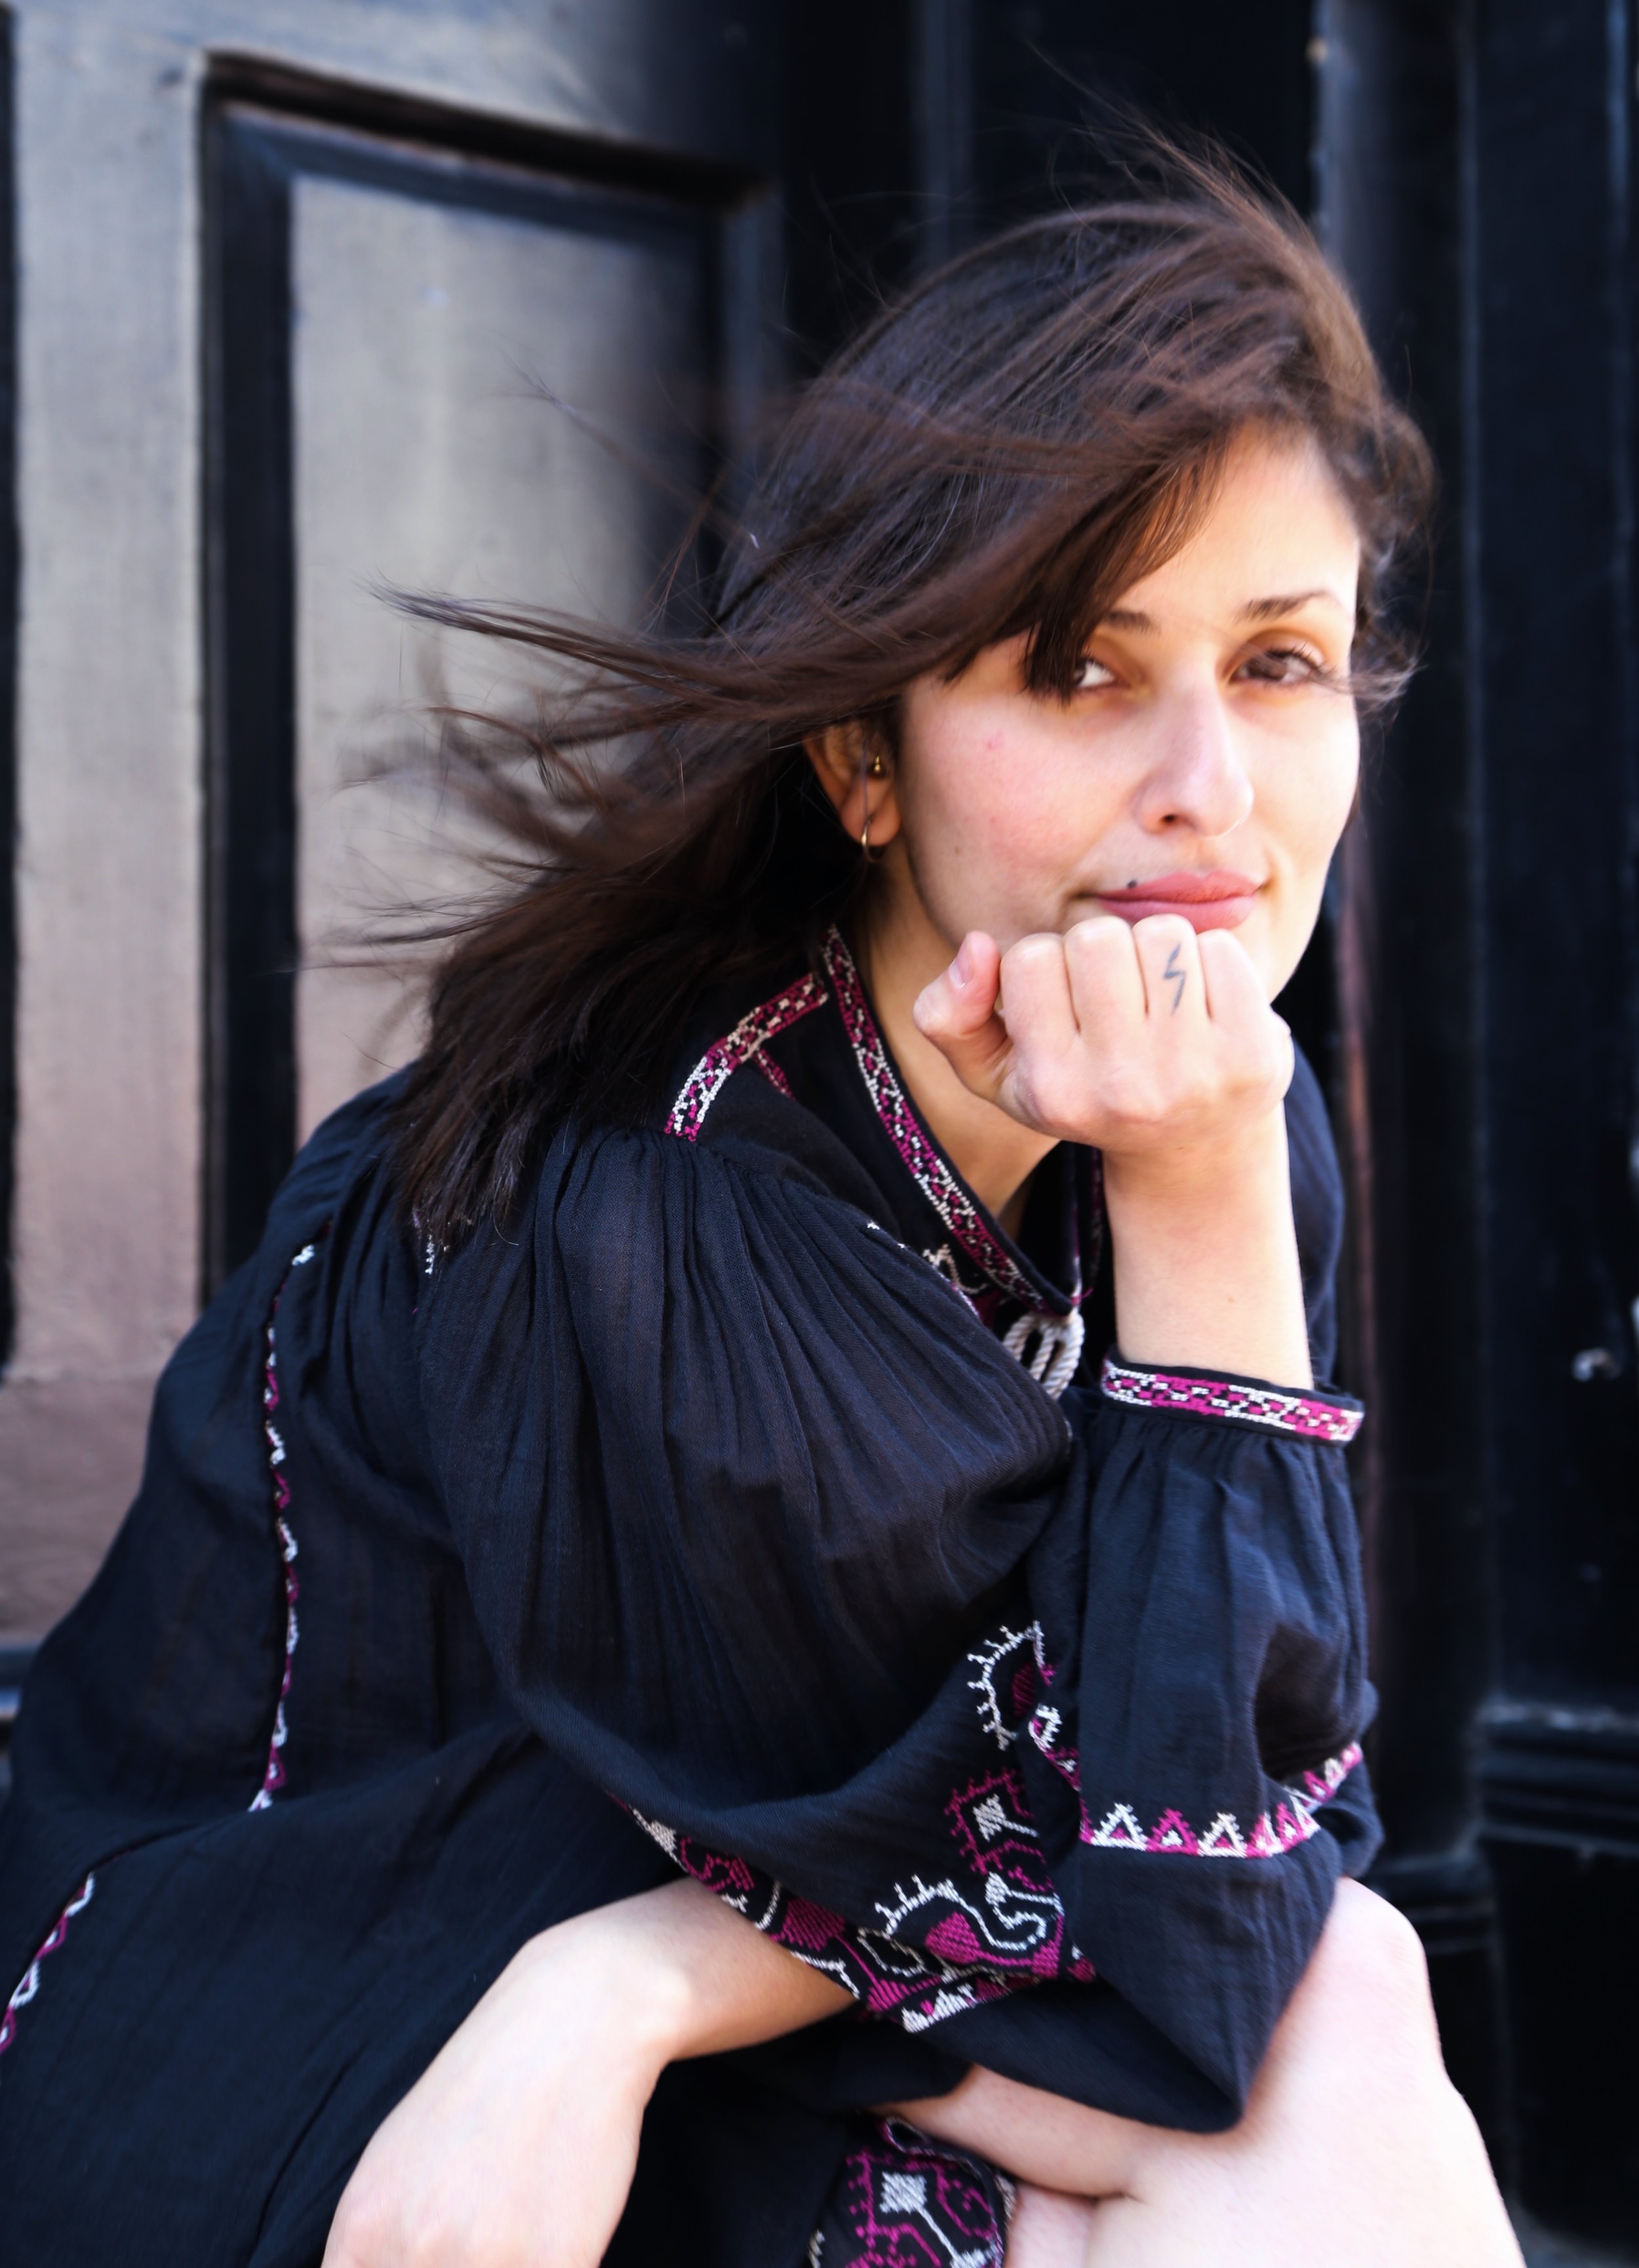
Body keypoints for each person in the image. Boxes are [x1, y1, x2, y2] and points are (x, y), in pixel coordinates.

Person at [0, 153, 1522, 2268]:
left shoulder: (1191, 1098)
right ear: (864, 758)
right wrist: (588, 1988)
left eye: (1275, 664)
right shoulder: (671, 1197)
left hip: (678, 1945)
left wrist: (628, 1983)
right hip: (295, 1987)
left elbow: (1246, 1846)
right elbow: (1171, 1912)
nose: (1208, 789)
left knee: (1342, 2007)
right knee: (1257, 2071)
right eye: (1083, 666)